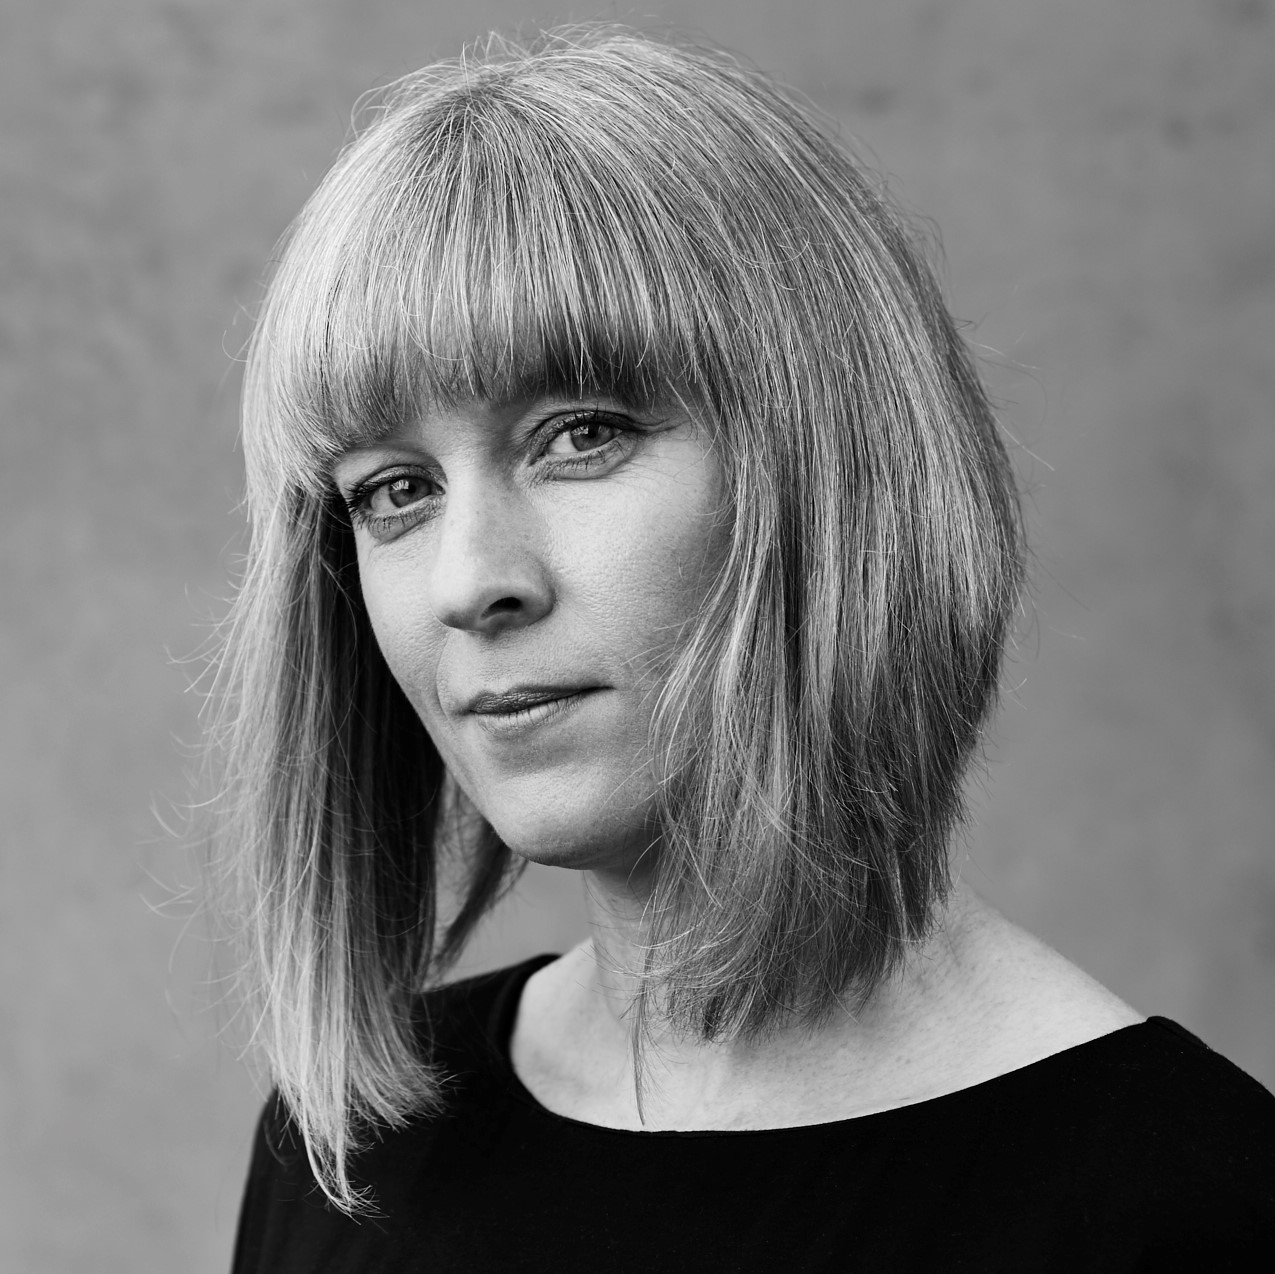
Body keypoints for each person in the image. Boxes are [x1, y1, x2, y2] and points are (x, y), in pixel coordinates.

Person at [216, 26, 1275, 1271]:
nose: (469, 581)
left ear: (833, 465)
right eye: (394, 490)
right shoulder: (352, 1151)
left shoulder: (1188, 1204)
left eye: (581, 434)